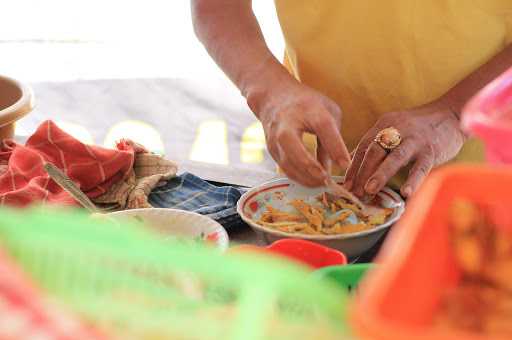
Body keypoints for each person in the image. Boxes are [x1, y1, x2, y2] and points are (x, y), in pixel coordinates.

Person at [192, 1, 512, 199]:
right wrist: (270, 89)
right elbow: (217, 7)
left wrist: (455, 115)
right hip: (318, 179)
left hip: (481, 184)